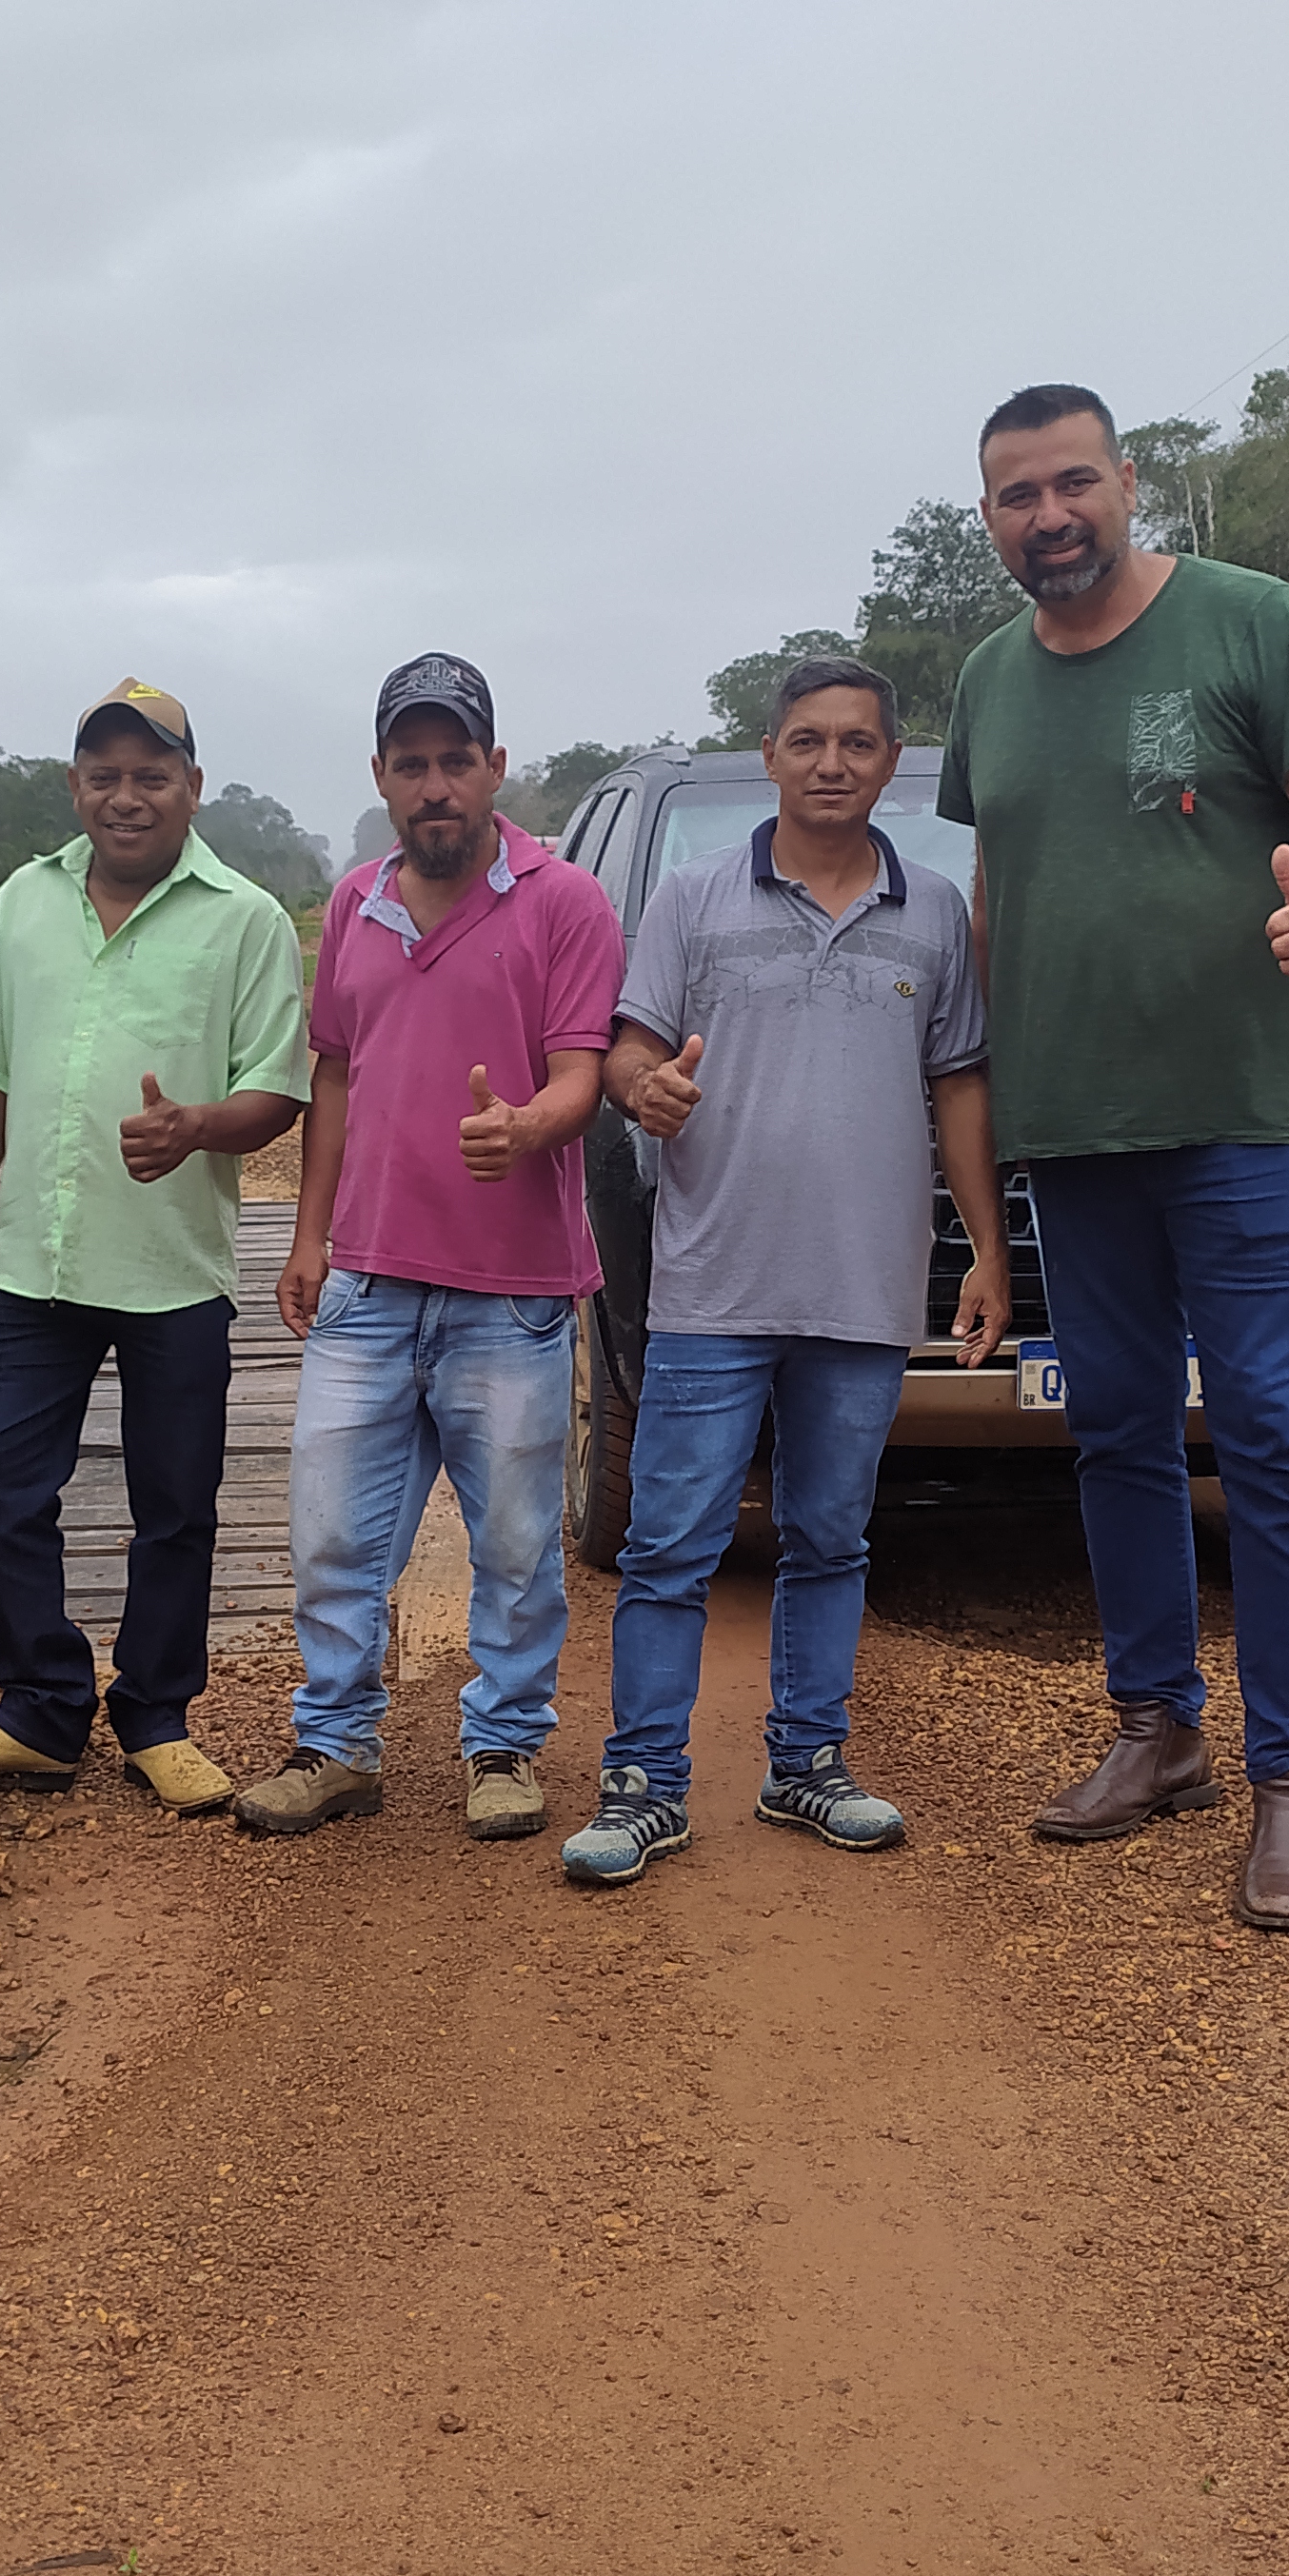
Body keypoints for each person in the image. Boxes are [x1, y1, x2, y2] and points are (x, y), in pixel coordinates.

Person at [938, 387, 1289, 1933]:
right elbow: (1003, 900)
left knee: (1273, 1437)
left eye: (1075, 482)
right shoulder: (993, 681)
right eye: (1018, 494)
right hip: (1075, 1131)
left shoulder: (1250, 622)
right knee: (1118, 1436)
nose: (1051, 513)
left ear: (1127, 484)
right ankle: (1157, 1732)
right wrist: (985, 1104)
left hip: (1251, 1113)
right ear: (991, 515)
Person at [565, 658, 1009, 1889]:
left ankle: (808, 1762)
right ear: (769, 755)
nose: (830, 762)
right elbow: (629, 1045)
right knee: (670, 1545)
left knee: (830, 1537)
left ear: (888, 761)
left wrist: (981, 1248)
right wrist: (639, 1085)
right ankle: (643, 1783)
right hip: (712, 1288)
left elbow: (959, 1083)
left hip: (863, 1292)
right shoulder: (695, 903)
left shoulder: (930, 917)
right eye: (806, 740)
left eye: (857, 743)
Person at [0, 680, 311, 1815]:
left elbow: (277, 1091)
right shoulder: (22, 901)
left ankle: (157, 1716)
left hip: (173, 1269)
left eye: (151, 775)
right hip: (30, 1260)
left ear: (191, 787)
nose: (126, 797)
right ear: (75, 786)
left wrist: (196, 1130)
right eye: (104, 775)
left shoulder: (247, 919)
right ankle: (36, 1709)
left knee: (174, 1502)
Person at [240, 653, 625, 1840]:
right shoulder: (353, 903)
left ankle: (503, 1749)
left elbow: (582, 1078)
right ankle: (336, 1744)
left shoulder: (563, 901)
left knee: (514, 1544)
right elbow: (337, 1075)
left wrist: (528, 1127)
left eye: (456, 759)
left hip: (510, 1296)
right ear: (382, 779)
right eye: (412, 764)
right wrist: (309, 1237)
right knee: (332, 1536)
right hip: (364, 1286)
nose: (436, 784)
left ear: (494, 769)